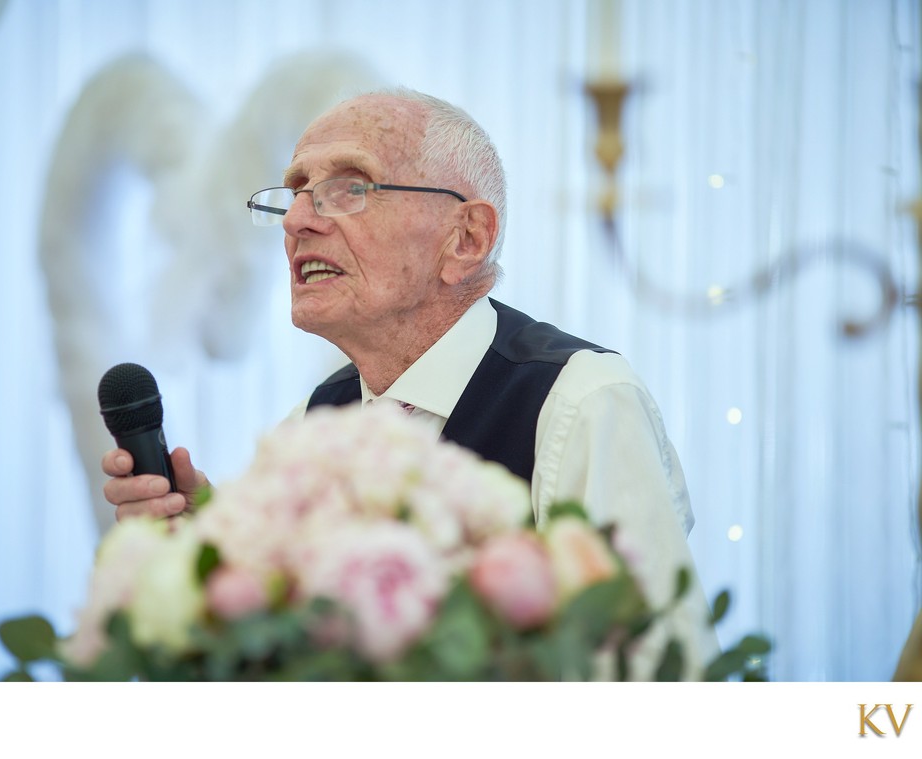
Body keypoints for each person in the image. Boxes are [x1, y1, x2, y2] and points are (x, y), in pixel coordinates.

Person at [102, 87, 719, 678]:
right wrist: (206, 575)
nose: (295, 221)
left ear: (466, 238)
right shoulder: (312, 425)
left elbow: (657, 678)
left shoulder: (580, 402)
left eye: (348, 188)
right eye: (293, 194)